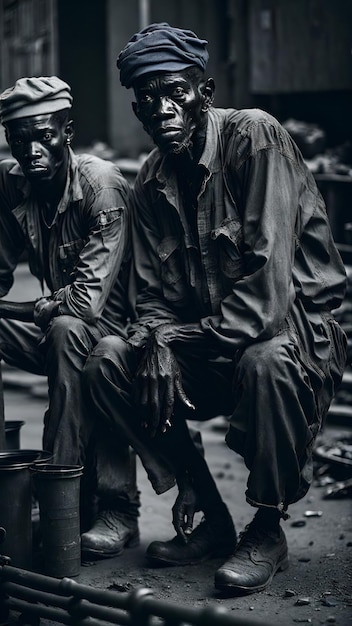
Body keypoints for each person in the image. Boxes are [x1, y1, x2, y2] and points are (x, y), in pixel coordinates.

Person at [83, 23, 347, 594]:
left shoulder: (255, 138)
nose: (162, 109)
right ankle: (203, 501)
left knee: (264, 361)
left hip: (291, 337)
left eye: (175, 91)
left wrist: (171, 340)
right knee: (106, 357)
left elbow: (267, 300)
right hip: (209, 339)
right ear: (136, 107)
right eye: (147, 99)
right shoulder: (152, 175)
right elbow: (150, 295)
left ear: (203, 93)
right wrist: (154, 337)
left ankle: (268, 527)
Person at [0, 76, 140, 559]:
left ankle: (69, 499)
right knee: (60, 332)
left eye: (45, 135)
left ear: (68, 131)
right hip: (59, 327)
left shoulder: (101, 184)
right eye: (19, 140)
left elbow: (84, 305)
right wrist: (32, 308)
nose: (32, 150)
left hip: (121, 334)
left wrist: (44, 308)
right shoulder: (11, 181)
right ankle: (12, 476)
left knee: (67, 333)